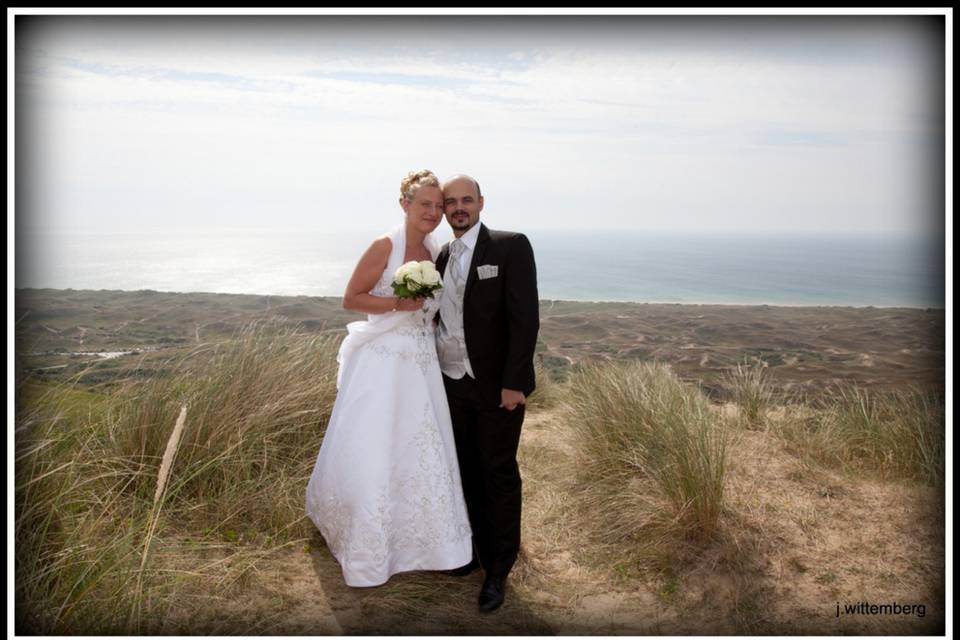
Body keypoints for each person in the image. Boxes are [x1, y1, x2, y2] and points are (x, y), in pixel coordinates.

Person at [305, 170, 473, 587]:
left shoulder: (436, 249)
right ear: (405, 205)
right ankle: (367, 546)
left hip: (419, 363)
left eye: (438, 206)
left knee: (420, 448)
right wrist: (398, 301)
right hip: (382, 363)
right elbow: (351, 298)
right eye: (425, 205)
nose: (433, 213)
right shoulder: (385, 245)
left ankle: (431, 544)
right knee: (375, 445)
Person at [435, 174, 540, 612]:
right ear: (443, 209)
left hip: (497, 387)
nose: (459, 208)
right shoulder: (440, 256)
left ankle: (499, 568)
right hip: (450, 383)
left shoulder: (510, 244)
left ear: (480, 202)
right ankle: (474, 552)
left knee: (497, 472)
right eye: (451, 202)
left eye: (466, 200)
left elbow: (525, 317)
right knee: (464, 470)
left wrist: (514, 382)